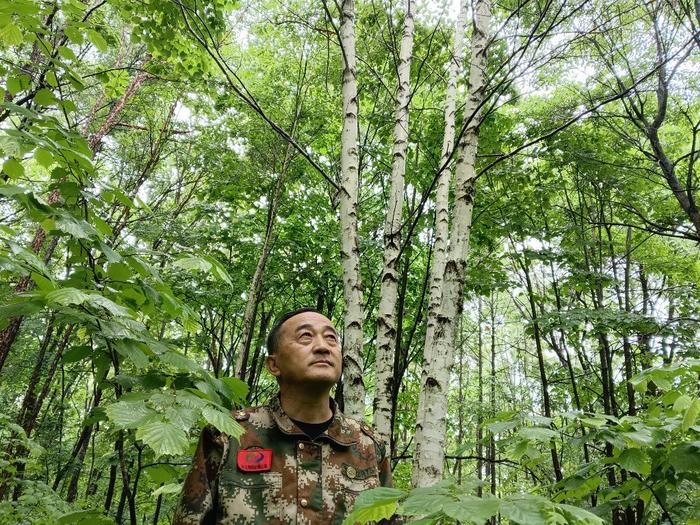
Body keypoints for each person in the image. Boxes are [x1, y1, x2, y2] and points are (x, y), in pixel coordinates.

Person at [173, 308, 393, 524]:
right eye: (305, 337)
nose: (323, 347)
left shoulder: (369, 447)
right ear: (273, 364)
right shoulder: (229, 435)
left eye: (331, 339)